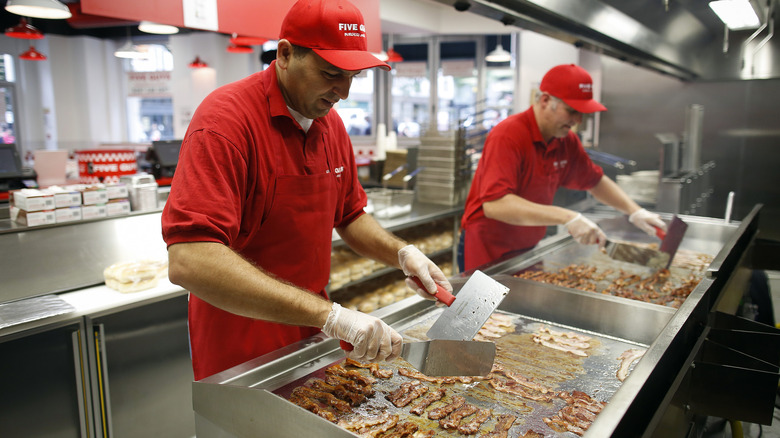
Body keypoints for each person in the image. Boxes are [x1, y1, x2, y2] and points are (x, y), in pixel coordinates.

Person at [162, 0, 452, 380]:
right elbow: (190, 260)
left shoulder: (329, 125)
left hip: (310, 328)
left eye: (353, 77)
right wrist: (331, 317)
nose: (343, 93)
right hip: (239, 334)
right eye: (331, 73)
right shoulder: (225, 123)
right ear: (285, 54)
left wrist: (402, 254)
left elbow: (349, 215)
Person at [460, 64, 667, 271]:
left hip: (527, 248)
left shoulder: (566, 141)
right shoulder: (508, 135)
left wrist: (635, 212)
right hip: (487, 251)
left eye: (582, 114)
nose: (577, 120)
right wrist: (569, 217)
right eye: (571, 111)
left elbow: (595, 181)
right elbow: (496, 205)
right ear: (545, 100)